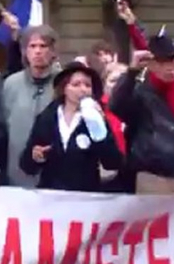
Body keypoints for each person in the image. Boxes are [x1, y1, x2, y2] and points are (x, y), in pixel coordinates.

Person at [19, 62, 123, 192]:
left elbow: (112, 163)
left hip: (85, 195)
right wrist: (35, 156)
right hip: (51, 194)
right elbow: (26, 165)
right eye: (76, 84)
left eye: (87, 85)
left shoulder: (96, 118)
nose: (83, 89)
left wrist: (100, 129)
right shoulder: (47, 118)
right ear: (64, 88)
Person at [110, 35, 174, 194]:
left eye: (172, 61)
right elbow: (117, 105)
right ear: (151, 64)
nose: (169, 67)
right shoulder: (139, 91)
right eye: (162, 62)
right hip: (152, 175)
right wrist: (131, 73)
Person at [1, 24, 60, 188]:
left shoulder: (64, 84)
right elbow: (4, 127)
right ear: (24, 51)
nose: (38, 51)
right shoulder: (11, 84)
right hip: (17, 176)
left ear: (53, 51)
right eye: (32, 46)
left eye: (43, 46)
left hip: (55, 177)